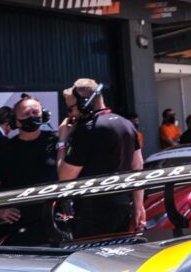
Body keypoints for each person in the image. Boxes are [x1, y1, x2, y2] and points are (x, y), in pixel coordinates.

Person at [58, 78, 145, 238]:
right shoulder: (126, 124)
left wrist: (62, 141)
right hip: (123, 207)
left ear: (85, 103)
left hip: (92, 212)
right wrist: (139, 206)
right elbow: (138, 167)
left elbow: (64, 176)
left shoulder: (87, 130)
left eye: (71, 109)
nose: (71, 115)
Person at [0, 95, 60, 245]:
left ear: (45, 115)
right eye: (25, 114)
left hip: (57, 222)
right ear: (14, 121)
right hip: (21, 228)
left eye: (35, 113)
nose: (31, 117)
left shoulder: (58, 141)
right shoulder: (4, 149)